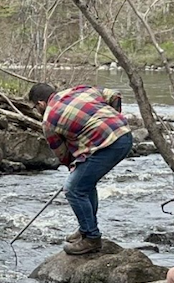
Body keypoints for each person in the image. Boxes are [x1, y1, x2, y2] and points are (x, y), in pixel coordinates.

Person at [28, 82, 134, 255]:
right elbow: (115, 94)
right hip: (125, 135)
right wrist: (113, 121)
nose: (37, 110)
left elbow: (62, 154)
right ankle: (86, 228)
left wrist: (74, 163)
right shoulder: (80, 90)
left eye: (35, 107)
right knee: (85, 184)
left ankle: (91, 238)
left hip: (109, 145)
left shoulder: (48, 120)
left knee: (73, 189)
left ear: (40, 103)